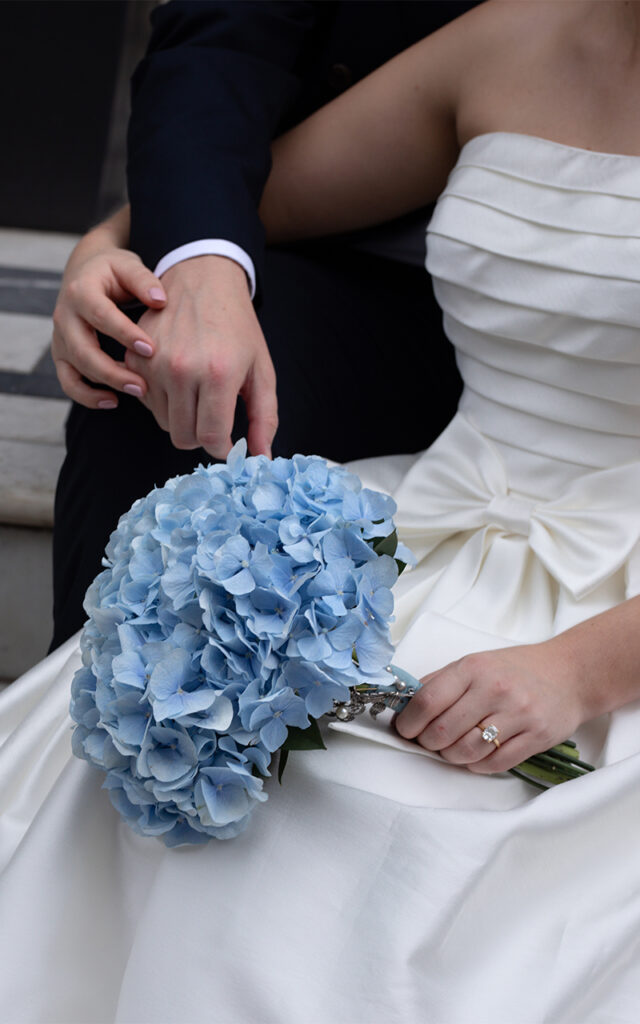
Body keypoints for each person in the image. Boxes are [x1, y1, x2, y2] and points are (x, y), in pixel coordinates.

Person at [3, 0, 640, 1019]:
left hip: (611, 621)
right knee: (169, 747)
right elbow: (258, 194)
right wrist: (105, 256)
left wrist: (577, 673)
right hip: (423, 526)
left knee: (363, 823)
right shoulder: (517, 36)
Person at [49, 0, 474, 650]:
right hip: (331, 247)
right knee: (173, 364)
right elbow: (223, 43)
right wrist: (190, 258)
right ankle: (117, 688)